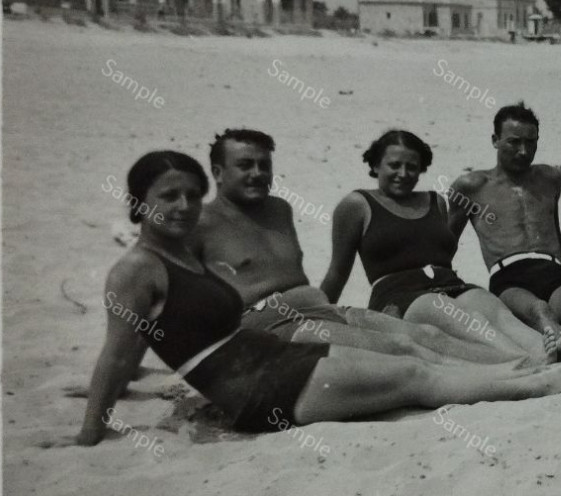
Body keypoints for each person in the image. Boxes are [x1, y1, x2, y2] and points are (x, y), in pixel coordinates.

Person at [75, 152, 561, 445]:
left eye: (190, 194)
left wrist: (143, 377)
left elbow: (149, 339)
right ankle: (537, 385)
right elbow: (118, 350)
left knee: (414, 352)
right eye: (168, 196)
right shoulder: (135, 269)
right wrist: (90, 431)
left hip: (281, 356)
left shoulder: (178, 255)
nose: (183, 206)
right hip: (259, 391)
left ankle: (519, 372)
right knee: (413, 377)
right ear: (138, 202)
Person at [196, 128, 510, 365]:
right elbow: (337, 271)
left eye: (264, 165)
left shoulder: (278, 210)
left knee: (463, 326)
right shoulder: (357, 205)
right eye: (245, 165)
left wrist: (323, 310)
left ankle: (531, 359)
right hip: (387, 300)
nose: (257, 174)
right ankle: (514, 369)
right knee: (426, 343)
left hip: (334, 308)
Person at [319, 128, 551, 362]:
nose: (403, 173)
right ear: (376, 165)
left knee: (497, 313)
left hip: (449, 284)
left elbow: (441, 254)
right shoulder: (357, 205)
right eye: (394, 165)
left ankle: (547, 350)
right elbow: (337, 272)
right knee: (468, 321)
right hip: (398, 295)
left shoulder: (434, 201)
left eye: (412, 167)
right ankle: (523, 361)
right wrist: (313, 315)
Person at [447, 102, 561, 352]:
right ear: (495, 140)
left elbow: (554, 229)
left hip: (552, 270)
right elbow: (446, 242)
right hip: (509, 276)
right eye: (514, 142)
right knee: (540, 311)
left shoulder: (550, 178)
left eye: (531, 142)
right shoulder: (471, 186)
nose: (524, 151)